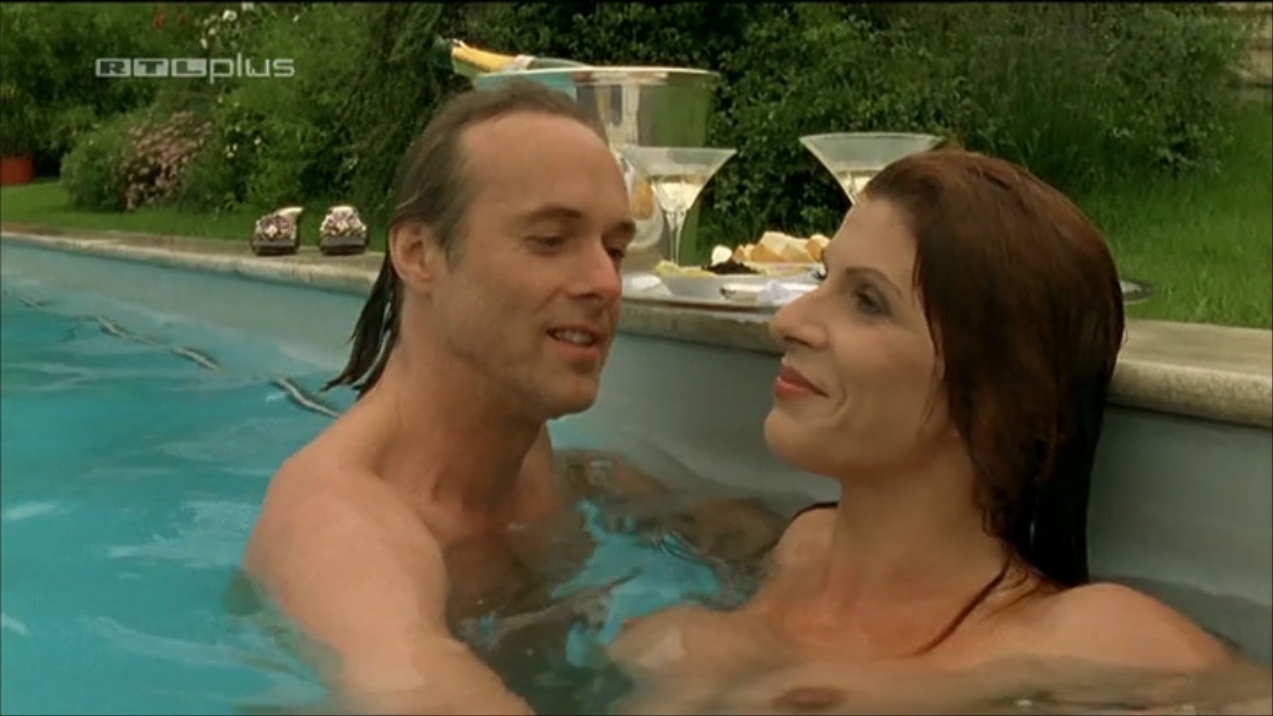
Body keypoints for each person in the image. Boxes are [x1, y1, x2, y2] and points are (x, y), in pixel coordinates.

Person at [605, 149, 1261, 714]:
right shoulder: (795, 548)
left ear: (997, 398)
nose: (789, 321)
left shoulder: (1089, 637)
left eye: (867, 302)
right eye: (824, 279)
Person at [240, 79, 784, 715]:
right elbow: (416, 691)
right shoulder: (338, 529)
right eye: (550, 240)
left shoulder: (528, 450)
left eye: (614, 249)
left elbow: (611, 486)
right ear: (418, 253)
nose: (606, 283)